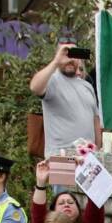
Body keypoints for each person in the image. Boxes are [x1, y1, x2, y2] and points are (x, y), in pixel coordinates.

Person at [29, 42, 102, 177]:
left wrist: (98, 151)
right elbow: (34, 87)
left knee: (87, 199)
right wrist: (56, 61)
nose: (69, 59)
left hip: (88, 159)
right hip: (61, 157)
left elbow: (95, 121)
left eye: (73, 55)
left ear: (79, 58)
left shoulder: (87, 86)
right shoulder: (53, 81)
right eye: (65, 54)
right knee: (64, 198)